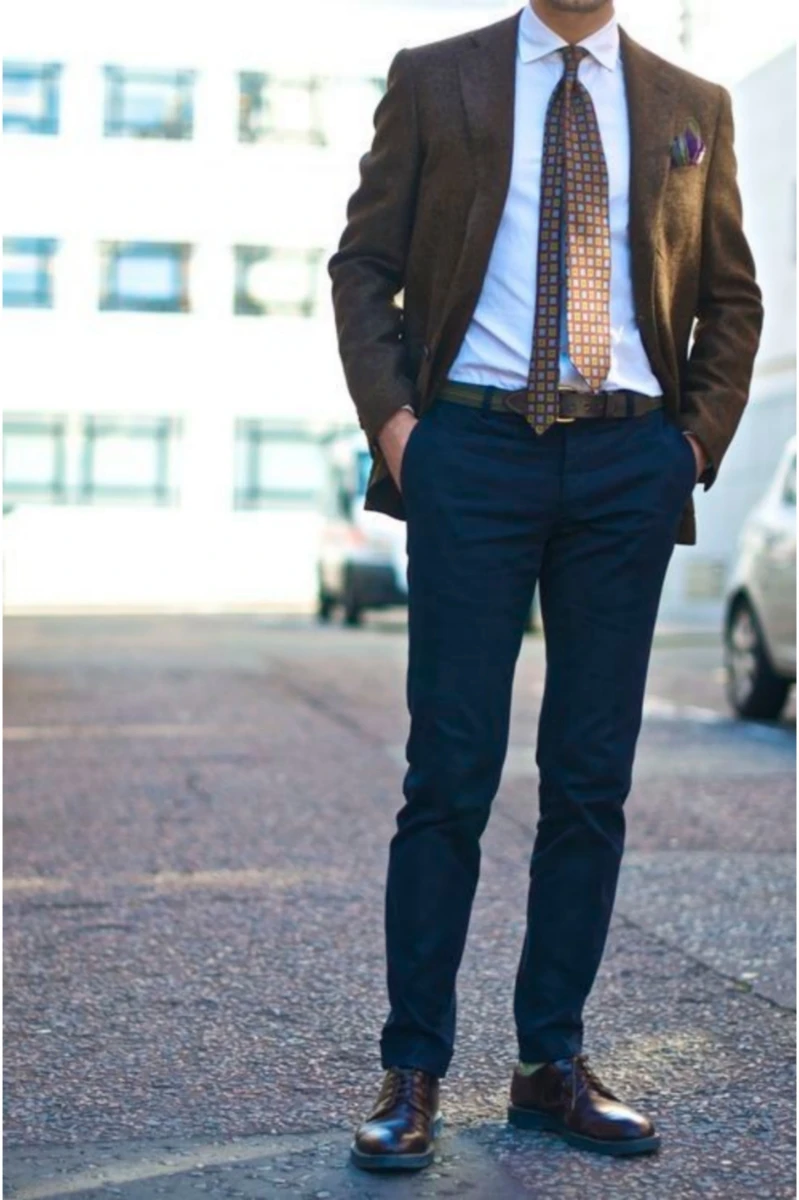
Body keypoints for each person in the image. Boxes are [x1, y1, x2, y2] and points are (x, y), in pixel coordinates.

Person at [328, 0, 762, 1171]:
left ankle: (546, 1065)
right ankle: (411, 1068)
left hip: (627, 459)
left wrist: (690, 445)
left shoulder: (692, 106)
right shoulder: (434, 77)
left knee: (588, 778)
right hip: (470, 449)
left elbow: (731, 296)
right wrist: (400, 429)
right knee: (450, 770)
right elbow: (364, 263)